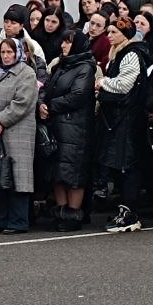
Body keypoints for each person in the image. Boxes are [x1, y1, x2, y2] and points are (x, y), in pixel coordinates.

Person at [0, 38, 38, 233]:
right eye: (3, 52)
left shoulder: (27, 73)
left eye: (10, 52)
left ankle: (19, 221)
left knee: (17, 177)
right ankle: (1, 220)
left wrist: (1, 121)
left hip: (17, 132)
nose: (6, 56)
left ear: (18, 53)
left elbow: (22, 102)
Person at [40, 29, 98, 231]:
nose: (63, 45)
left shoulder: (85, 67)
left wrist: (52, 106)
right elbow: (47, 89)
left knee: (74, 172)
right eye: (62, 42)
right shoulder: (61, 66)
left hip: (76, 128)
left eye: (67, 42)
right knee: (57, 171)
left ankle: (73, 214)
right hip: (57, 126)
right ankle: (62, 211)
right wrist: (42, 104)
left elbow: (78, 95)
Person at [95, 19, 150, 232]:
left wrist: (102, 83)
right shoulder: (118, 54)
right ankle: (123, 209)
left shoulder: (131, 54)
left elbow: (125, 84)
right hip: (119, 119)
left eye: (114, 31)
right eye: (108, 31)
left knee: (128, 166)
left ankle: (130, 213)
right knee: (119, 166)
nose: (109, 35)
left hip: (128, 119)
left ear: (124, 34)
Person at [0, 5, 48, 84]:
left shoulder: (32, 45)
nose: (8, 25)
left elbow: (41, 69)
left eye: (13, 23)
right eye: (6, 22)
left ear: (21, 26)